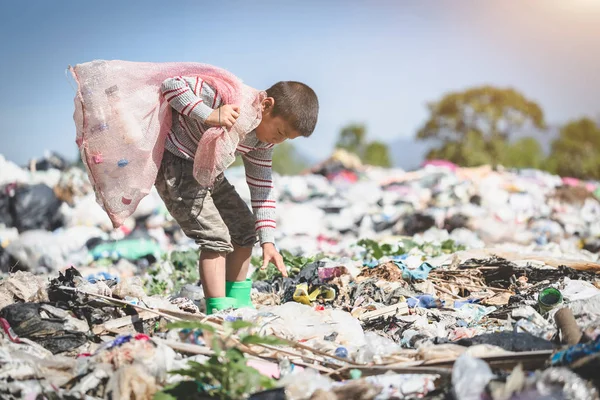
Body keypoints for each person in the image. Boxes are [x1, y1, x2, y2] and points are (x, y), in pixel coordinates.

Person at [155, 72, 319, 314]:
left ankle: (238, 302)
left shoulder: (263, 142)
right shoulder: (230, 98)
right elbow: (171, 85)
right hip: (177, 164)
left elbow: (261, 186)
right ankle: (218, 311)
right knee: (216, 237)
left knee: (244, 229)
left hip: (210, 172)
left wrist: (268, 241)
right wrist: (208, 113)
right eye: (281, 132)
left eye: (287, 138)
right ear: (266, 105)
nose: (279, 140)